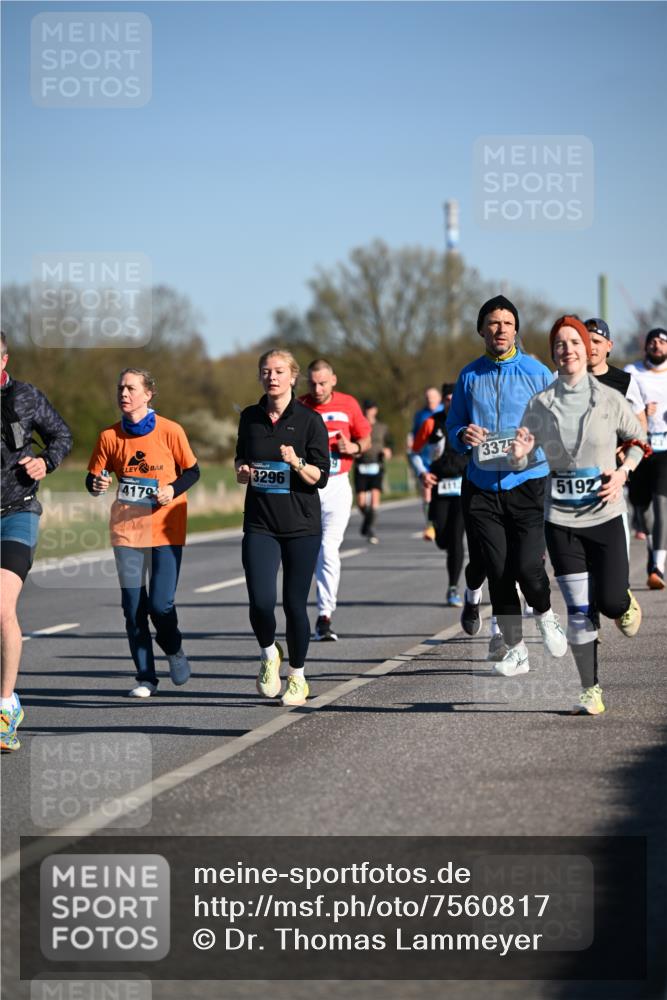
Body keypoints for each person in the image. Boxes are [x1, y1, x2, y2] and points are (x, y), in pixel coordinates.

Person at [509, 315, 647, 714]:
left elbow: (638, 441)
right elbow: (522, 458)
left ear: (587, 350)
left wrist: (623, 472)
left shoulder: (608, 399)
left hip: (604, 515)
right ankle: (590, 689)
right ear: (553, 352)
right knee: (580, 610)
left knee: (609, 600)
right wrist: (518, 456)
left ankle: (623, 604)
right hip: (562, 522)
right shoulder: (540, 404)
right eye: (560, 344)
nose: (567, 349)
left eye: (574, 342)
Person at [446, 294, 567, 675]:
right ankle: (516, 649)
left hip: (528, 483)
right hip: (481, 486)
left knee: (528, 567)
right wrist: (463, 433)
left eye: (507, 323)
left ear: (517, 330)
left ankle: (546, 615)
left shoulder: (537, 373)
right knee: (497, 569)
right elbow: (452, 427)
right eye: (493, 323)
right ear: (482, 329)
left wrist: (530, 443)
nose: (500, 329)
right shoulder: (469, 375)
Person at [87, 368, 199, 697]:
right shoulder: (109, 436)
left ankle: (175, 650)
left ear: (148, 394)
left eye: (131, 388)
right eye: (120, 387)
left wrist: (172, 490)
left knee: (161, 605)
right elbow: (94, 479)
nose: (124, 393)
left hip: (165, 528)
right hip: (127, 531)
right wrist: (97, 484)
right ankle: (146, 676)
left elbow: (193, 471)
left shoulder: (170, 431)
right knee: (133, 606)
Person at [235, 349, 329, 706]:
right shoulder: (250, 417)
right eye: (265, 371)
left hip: (301, 525)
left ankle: (299, 676)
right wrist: (242, 471)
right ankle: (268, 652)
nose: (271, 377)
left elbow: (319, 477)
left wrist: (296, 461)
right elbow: (241, 459)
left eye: (278, 371)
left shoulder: (309, 421)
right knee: (260, 602)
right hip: (260, 522)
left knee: (293, 604)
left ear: (293, 377)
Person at [1, 330, 73, 751]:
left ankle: (6, 706)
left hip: (17, 514)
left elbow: (62, 436)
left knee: (1, 607)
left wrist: (45, 461)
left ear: (4, 361)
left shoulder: (26, 397)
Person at [300, 359, 371, 641]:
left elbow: (365, 439)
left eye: (323, 383)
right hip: (306, 486)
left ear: (333, 381)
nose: (317, 389)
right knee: (304, 552)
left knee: (328, 549)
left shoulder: (348, 404)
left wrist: (352, 447)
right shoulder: (300, 406)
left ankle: (324, 615)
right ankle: (298, 614)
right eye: (313, 383)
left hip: (337, 484)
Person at [411, 383, 468, 606]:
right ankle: (441, 537)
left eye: (456, 399)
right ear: (444, 400)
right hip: (439, 486)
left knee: (456, 539)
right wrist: (422, 472)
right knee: (443, 538)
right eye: (448, 399)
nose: (452, 403)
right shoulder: (430, 423)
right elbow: (415, 452)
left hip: (463, 487)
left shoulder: (469, 422)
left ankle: (453, 587)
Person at [624, 328, 667, 589]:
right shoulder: (633, 371)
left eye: (662, 342)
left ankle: (657, 567)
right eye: (652, 341)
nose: (657, 345)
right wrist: (639, 410)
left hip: (666, 448)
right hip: (639, 445)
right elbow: (623, 402)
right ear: (646, 347)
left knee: (662, 503)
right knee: (643, 511)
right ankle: (654, 549)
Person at [354, 400, 393, 544]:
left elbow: (390, 442)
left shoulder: (382, 427)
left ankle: (370, 529)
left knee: (375, 499)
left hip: (377, 465)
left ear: (375, 410)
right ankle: (367, 522)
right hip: (361, 466)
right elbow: (353, 442)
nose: (368, 411)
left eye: (370, 408)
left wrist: (388, 450)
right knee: (361, 502)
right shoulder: (357, 426)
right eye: (366, 408)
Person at [408, 386, 443, 540]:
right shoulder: (420, 415)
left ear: (439, 398)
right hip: (426, 458)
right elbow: (416, 436)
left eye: (433, 397)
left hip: (443, 458)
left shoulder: (446, 411)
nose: (430, 400)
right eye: (428, 397)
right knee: (427, 490)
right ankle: (430, 524)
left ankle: (444, 519)